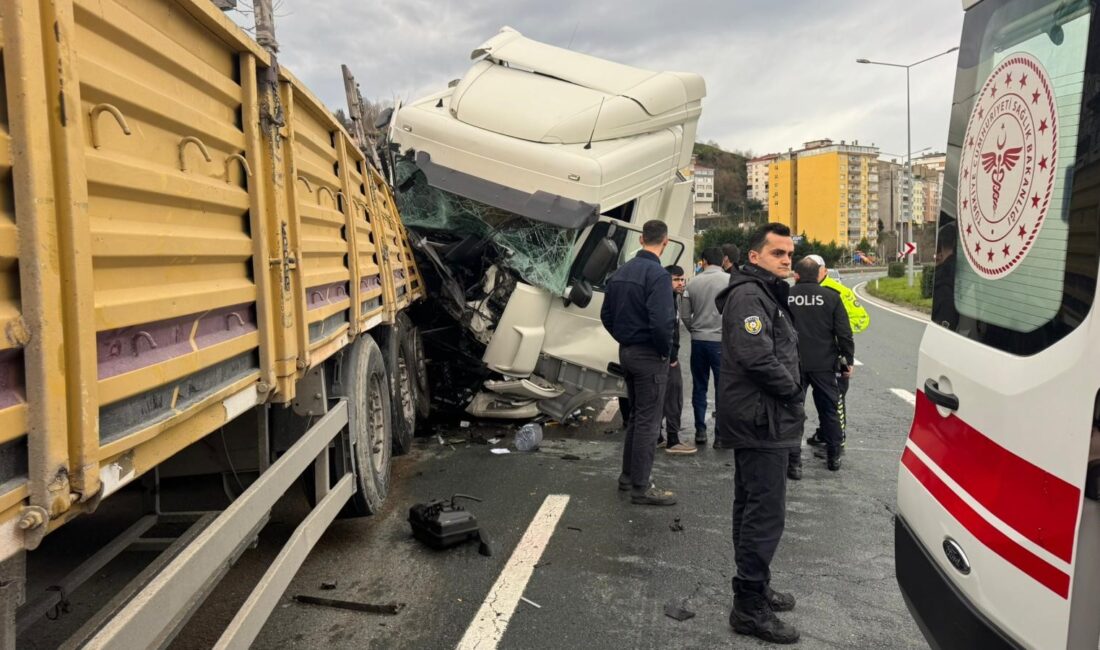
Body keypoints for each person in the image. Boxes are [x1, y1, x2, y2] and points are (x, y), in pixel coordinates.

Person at [715, 222, 803, 644]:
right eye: (777, 253)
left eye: (789, 254)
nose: (786, 260)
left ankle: (754, 584)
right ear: (754, 257)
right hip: (762, 418)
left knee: (751, 506)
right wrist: (793, 392)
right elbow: (756, 357)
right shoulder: (750, 295)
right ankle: (748, 607)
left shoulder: (764, 291)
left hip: (761, 416)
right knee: (765, 513)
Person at [600, 220, 678, 506]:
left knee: (636, 416)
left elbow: (606, 316)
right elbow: (662, 322)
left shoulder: (620, 272)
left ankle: (628, 477)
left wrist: (624, 338)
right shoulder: (658, 275)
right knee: (649, 421)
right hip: (649, 356)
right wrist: (664, 352)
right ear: (665, 242)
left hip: (627, 352)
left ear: (642, 239)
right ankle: (642, 487)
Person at [786, 256, 854, 476]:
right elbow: (844, 333)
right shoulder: (832, 297)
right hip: (825, 364)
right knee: (830, 411)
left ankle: (794, 463)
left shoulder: (785, 296)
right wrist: (848, 361)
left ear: (796, 275)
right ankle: (833, 457)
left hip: (793, 364)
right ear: (819, 275)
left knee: (793, 411)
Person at [802, 254, 867, 455]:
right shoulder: (802, 290)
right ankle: (824, 434)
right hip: (808, 355)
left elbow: (861, 319)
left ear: (824, 270)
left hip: (833, 355)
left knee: (834, 400)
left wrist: (836, 336)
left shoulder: (838, 291)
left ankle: (838, 439)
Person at [681, 247, 729, 446]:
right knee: (722, 388)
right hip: (721, 342)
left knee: (699, 386)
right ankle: (720, 435)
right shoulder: (730, 282)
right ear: (722, 261)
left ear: (704, 261)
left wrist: (695, 330)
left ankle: (700, 430)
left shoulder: (692, 283)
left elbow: (684, 315)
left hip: (699, 341)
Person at [661, 265, 696, 455]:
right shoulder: (666, 299)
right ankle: (672, 440)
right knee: (674, 396)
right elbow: (666, 330)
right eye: (676, 279)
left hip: (663, 356)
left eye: (682, 279)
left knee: (663, 396)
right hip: (668, 357)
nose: (681, 283)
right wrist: (672, 356)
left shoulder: (673, 297)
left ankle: (658, 437)